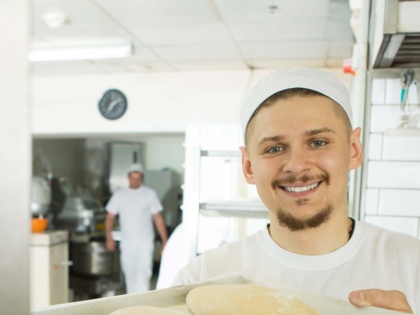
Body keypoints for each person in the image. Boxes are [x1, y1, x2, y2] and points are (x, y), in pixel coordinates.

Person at [173, 68, 420, 313]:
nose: (297, 165)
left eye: (318, 143)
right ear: (248, 166)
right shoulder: (203, 278)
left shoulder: (411, 265)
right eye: (274, 148)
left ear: (353, 150)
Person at [105, 163, 168, 294]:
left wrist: (164, 240)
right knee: (130, 274)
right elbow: (110, 217)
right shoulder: (119, 195)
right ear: (128, 178)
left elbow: (158, 218)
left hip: (145, 243)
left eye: (138, 178)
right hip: (127, 243)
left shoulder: (149, 194)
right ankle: (132, 306)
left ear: (142, 178)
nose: (135, 181)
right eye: (132, 178)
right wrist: (108, 237)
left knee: (143, 275)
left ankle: (142, 306)